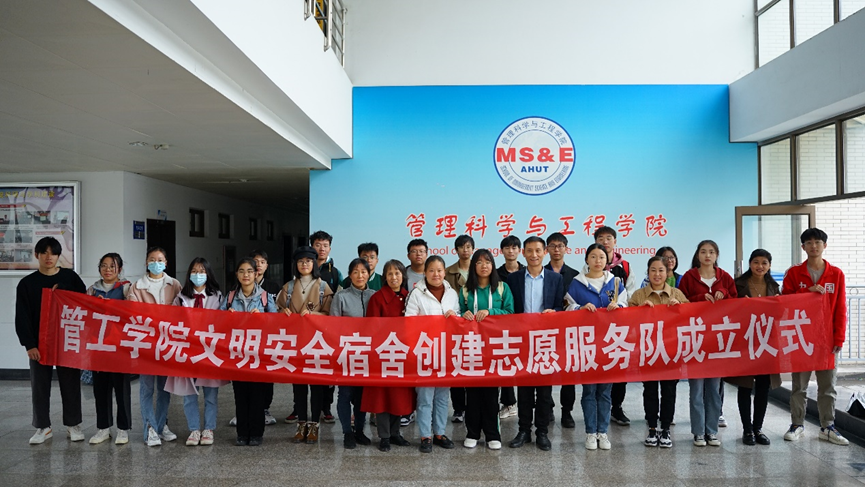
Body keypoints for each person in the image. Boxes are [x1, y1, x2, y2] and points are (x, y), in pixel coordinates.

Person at [16, 237, 87, 445]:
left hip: (66, 340)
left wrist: (65, 289)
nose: (49, 257)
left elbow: (84, 302)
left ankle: (73, 424)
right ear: (36, 255)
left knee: (71, 384)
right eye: (44, 253)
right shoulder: (27, 283)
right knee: (40, 386)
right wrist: (29, 344)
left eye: (53, 253)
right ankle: (42, 427)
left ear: (58, 256)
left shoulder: (70, 277)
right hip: (40, 343)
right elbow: (22, 316)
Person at [782, 228, 849, 446]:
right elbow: (785, 301)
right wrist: (807, 292)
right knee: (799, 386)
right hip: (801, 338)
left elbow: (841, 308)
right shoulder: (794, 273)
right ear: (803, 247)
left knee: (827, 386)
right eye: (809, 242)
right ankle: (797, 424)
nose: (814, 246)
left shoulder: (836, 274)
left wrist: (839, 338)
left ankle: (827, 426)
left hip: (826, 340)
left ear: (824, 246)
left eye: (818, 242)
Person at [566, 243, 627, 451]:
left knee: (605, 392)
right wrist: (580, 308)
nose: (598, 260)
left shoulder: (615, 282)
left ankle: (603, 432)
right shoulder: (577, 283)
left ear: (607, 260)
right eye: (593, 256)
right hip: (587, 345)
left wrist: (618, 306)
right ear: (587, 260)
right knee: (589, 391)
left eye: (601, 257)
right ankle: (590, 432)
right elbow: (567, 307)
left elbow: (626, 306)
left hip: (610, 343)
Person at [506, 236, 564, 452]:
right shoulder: (513, 279)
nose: (534, 255)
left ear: (545, 252)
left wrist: (554, 312)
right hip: (522, 340)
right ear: (523, 253)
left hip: (545, 341)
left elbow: (560, 307)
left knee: (544, 391)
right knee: (524, 389)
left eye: (538, 250)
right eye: (529, 250)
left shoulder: (555, 278)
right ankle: (523, 430)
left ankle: (542, 432)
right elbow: (511, 309)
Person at [678, 239, 736, 447]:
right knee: (696, 389)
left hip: (717, 340)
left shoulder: (725, 277)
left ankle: (711, 431)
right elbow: (681, 302)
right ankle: (698, 432)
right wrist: (700, 297)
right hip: (695, 338)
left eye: (711, 252)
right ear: (698, 255)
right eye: (703, 252)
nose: (707, 255)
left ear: (717, 255)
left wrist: (725, 294)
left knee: (714, 389)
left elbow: (736, 304)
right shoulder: (689, 277)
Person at [628, 256, 689, 449]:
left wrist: (681, 309)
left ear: (667, 272)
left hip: (671, 351)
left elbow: (691, 319)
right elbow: (627, 323)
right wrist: (639, 311)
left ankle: (666, 429)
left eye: (661, 270)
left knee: (669, 391)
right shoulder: (639, 295)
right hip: (648, 351)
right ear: (648, 272)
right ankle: (652, 428)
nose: (657, 274)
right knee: (650, 391)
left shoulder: (677, 294)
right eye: (653, 270)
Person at [275, 246, 334, 444]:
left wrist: (313, 314)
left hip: (317, 342)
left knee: (316, 386)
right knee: (299, 386)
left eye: (308, 261)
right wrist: (283, 313)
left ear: (314, 263)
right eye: (300, 261)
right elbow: (277, 309)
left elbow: (330, 315)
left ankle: (314, 425)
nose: (304, 264)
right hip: (296, 342)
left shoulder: (323, 287)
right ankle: (301, 424)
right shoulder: (289, 287)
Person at [127, 246, 183, 447]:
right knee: (146, 388)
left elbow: (181, 312)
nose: (156, 263)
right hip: (146, 345)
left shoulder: (174, 284)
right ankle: (149, 428)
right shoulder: (137, 287)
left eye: (160, 260)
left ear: (166, 263)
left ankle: (161, 425)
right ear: (146, 262)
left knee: (164, 388)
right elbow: (133, 313)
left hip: (167, 344)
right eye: (152, 259)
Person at [169, 257, 228, 447]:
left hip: (209, 352)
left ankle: (209, 429)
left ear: (208, 274)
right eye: (194, 271)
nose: (198, 275)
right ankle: (194, 429)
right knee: (189, 394)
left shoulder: (217, 297)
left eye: (202, 271)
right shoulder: (181, 297)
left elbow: (223, 323)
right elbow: (171, 321)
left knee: (210, 395)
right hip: (188, 353)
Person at [458, 249, 514, 450]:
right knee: (472, 393)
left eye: (488, 262)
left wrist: (490, 312)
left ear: (493, 265)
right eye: (479, 262)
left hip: (494, 346)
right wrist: (463, 315)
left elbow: (510, 313)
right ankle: (472, 432)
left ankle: (492, 434)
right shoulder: (465, 290)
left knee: (491, 393)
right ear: (473, 266)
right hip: (471, 346)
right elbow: (458, 315)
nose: (484, 266)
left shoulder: (502, 288)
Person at [220, 257, 278, 446]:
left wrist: (263, 318)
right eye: (242, 271)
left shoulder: (265, 297)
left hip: (259, 354)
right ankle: (242, 433)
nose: (246, 275)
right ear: (236, 274)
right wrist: (226, 317)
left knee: (257, 394)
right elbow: (216, 321)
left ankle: (256, 433)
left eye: (250, 271)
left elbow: (277, 323)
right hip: (237, 354)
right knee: (240, 394)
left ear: (256, 273)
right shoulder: (230, 297)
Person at [406, 255, 460, 453]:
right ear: (425, 272)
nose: (436, 274)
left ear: (444, 272)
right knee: (425, 397)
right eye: (431, 270)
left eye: (439, 270)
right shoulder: (416, 293)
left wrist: (454, 316)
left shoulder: (452, 293)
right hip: (425, 352)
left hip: (445, 351)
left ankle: (439, 433)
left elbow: (458, 319)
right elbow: (409, 322)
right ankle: (425, 435)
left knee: (442, 396)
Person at [361, 259, 415, 452]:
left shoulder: (409, 297)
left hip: (403, 355)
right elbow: (372, 328)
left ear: (403, 275)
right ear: (385, 277)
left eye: (397, 273)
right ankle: (384, 436)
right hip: (383, 355)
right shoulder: (377, 298)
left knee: (399, 396)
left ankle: (395, 433)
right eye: (390, 274)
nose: (394, 277)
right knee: (383, 397)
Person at [730, 249, 780, 446]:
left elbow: (781, 313)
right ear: (750, 264)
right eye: (756, 262)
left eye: (764, 263)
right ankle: (747, 429)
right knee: (745, 386)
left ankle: (758, 428)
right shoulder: (738, 285)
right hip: (745, 341)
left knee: (763, 387)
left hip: (766, 342)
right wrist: (740, 305)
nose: (760, 266)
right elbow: (728, 311)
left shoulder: (774, 286)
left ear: (769, 266)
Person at [86, 252, 132, 445]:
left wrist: (112, 307)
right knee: (101, 389)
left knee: (121, 390)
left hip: (119, 348)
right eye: (104, 266)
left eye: (112, 266)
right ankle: (103, 428)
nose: (108, 270)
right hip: (98, 347)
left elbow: (132, 313)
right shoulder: (91, 290)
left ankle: (123, 429)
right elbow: (85, 316)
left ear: (119, 269)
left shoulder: (127, 288)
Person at [331, 258, 377, 449]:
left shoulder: (374, 296)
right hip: (347, 353)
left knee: (361, 396)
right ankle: (347, 433)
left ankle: (359, 430)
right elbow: (333, 326)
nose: (360, 275)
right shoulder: (341, 296)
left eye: (363, 272)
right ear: (350, 275)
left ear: (369, 274)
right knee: (345, 394)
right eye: (355, 272)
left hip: (368, 355)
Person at [593, 226, 635, 427]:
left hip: (619, 326)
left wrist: (621, 306)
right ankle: (597, 407)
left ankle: (616, 407)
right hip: (596, 327)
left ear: (615, 241)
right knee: (597, 366)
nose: (605, 241)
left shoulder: (624, 267)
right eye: (601, 238)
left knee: (619, 367)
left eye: (609, 238)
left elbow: (631, 293)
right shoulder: (590, 265)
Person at [545, 232, 580, 428]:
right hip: (547, 329)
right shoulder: (541, 272)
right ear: (547, 249)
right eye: (552, 246)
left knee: (568, 373)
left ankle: (567, 412)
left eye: (560, 246)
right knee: (546, 368)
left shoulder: (575, 275)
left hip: (569, 330)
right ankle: (548, 407)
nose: (556, 249)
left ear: (566, 249)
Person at [310, 230, 341, 422]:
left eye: (325, 245)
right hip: (307, 329)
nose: (321, 249)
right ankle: (299, 408)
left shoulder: (335, 272)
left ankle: (327, 407)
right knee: (307, 368)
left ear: (330, 248)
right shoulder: (304, 268)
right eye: (318, 245)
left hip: (328, 329)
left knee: (328, 369)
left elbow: (339, 296)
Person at [248, 250, 281, 427]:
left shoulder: (273, 287)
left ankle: (265, 408)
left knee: (267, 374)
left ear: (267, 266)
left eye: (262, 262)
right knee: (247, 374)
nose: (259, 265)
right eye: (256, 261)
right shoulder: (240, 285)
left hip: (267, 338)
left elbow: (277, 313)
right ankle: (244, 410)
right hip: (246, 339)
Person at [445, 234, 475, 423]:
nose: (465, 250)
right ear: (456, 250)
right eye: (461, 247)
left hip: (475, 325)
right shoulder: (447, 272)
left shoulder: (480, 269)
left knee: (472, 366)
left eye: (468, 246)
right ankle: (458, 408)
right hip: (454, 325)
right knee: (455, 366)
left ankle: (472, 407)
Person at [495, 235, 523, 420]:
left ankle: (533, 403)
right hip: (502, 326)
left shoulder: (526, 272)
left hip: (525, 325)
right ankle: (509, 402)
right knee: (505, 363)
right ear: (502, 251)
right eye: (507, 248)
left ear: (519, 251)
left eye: (514, 248)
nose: (511, 251)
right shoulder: (496, 274)